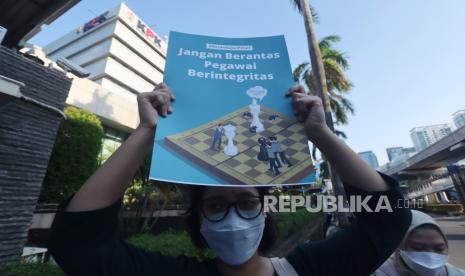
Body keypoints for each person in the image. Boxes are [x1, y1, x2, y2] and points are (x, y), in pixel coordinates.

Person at [48, 84, 412, 276]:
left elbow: (389, 218)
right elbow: (77, 244)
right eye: (216, 205)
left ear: (266, 209)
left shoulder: (313, 269)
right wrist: (146, 131)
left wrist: (321, 135)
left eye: (248, 202)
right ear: (199, 218)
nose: (234, 218)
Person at [373, 210, 465, 276]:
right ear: (400, 248)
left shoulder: (457, 273)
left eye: (439, 249)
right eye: (418, 248)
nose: (430, 256)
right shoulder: (379, 272)